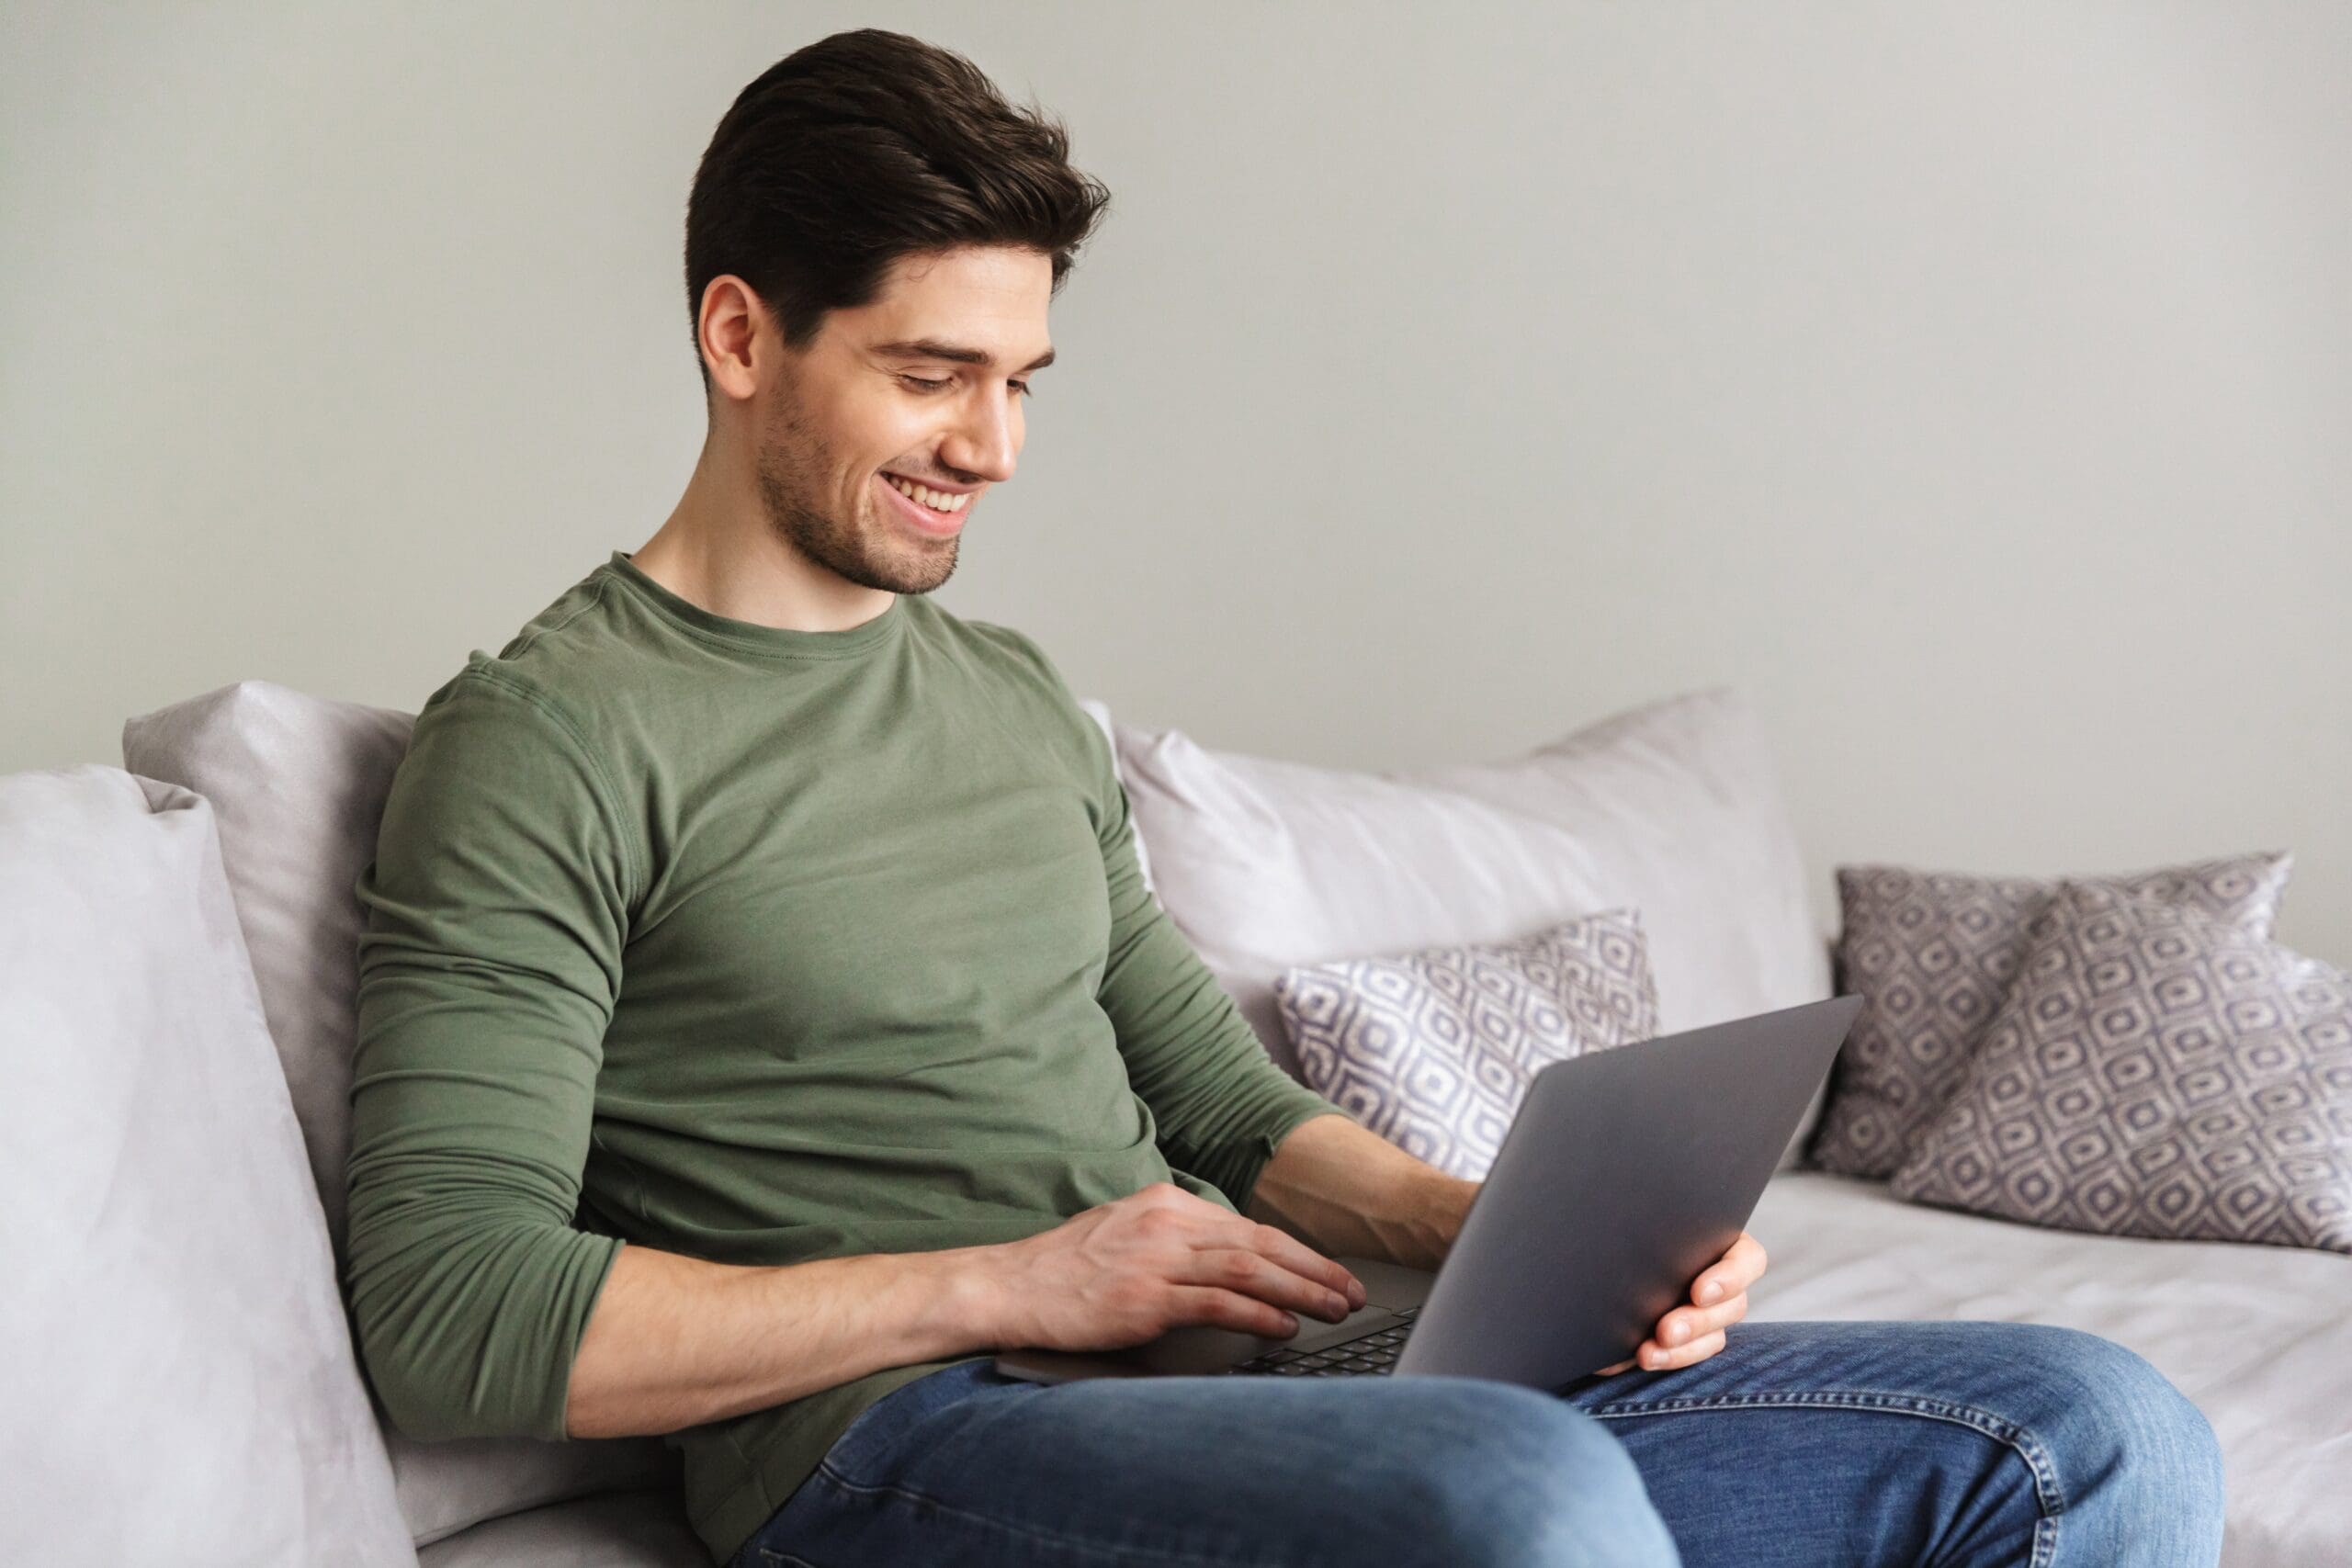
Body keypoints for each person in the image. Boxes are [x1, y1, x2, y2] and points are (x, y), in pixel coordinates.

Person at [344, 28, 2228, 1568]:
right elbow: (452, 1313)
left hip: (1237, 1379)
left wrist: (1505, 1226)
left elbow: (1228, 1110)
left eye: (1021, 378)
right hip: (899, 1448)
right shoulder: (548, 738)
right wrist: (1018, 1277)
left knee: (2088, 1424)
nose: (992, 450)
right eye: (932, 375)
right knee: (1522, 1499)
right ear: (742, 335)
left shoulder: (1006, 700)